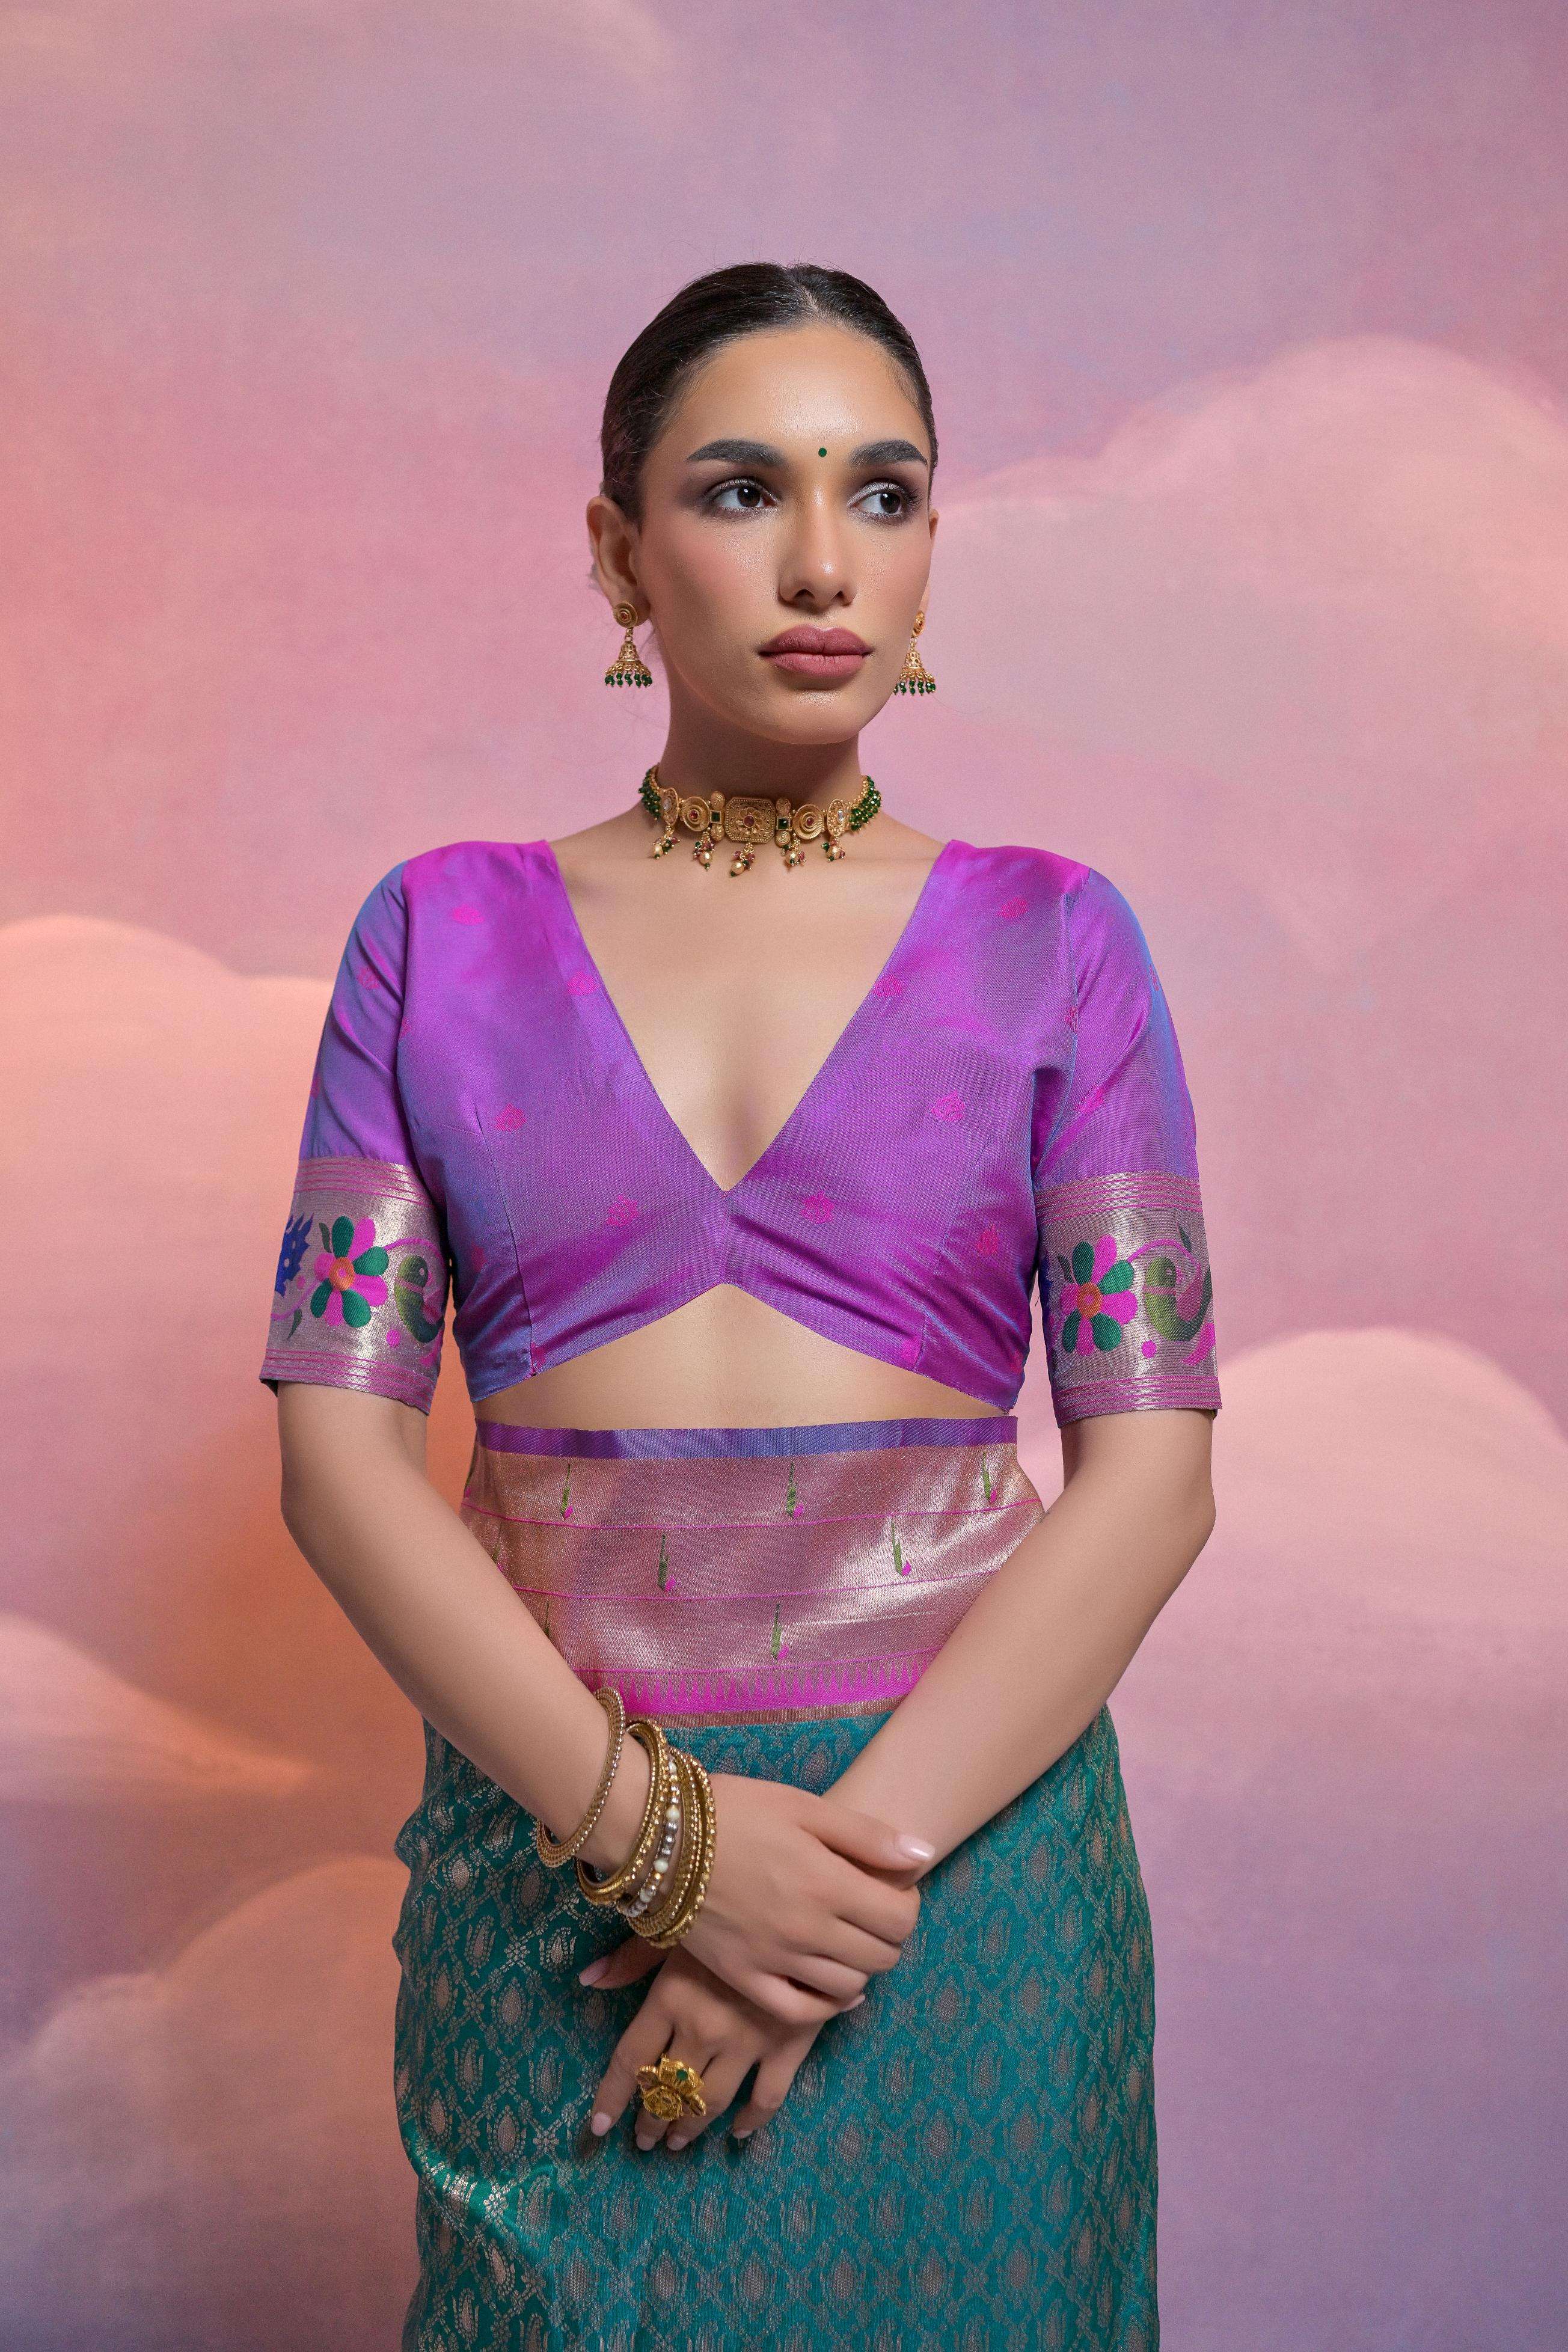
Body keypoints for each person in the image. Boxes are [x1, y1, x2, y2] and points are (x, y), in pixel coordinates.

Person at [261, 261, 1219, 2351]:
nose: (820, 563)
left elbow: (1154, 1478)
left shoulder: (1059, 939)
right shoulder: (438, 934)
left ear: (934, 545)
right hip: (559, 1868)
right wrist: (668, 1850)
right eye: (737, 491)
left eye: (883, 494)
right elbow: (339, 1463)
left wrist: (829, 1886)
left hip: (965, 1872)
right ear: (619, 554)